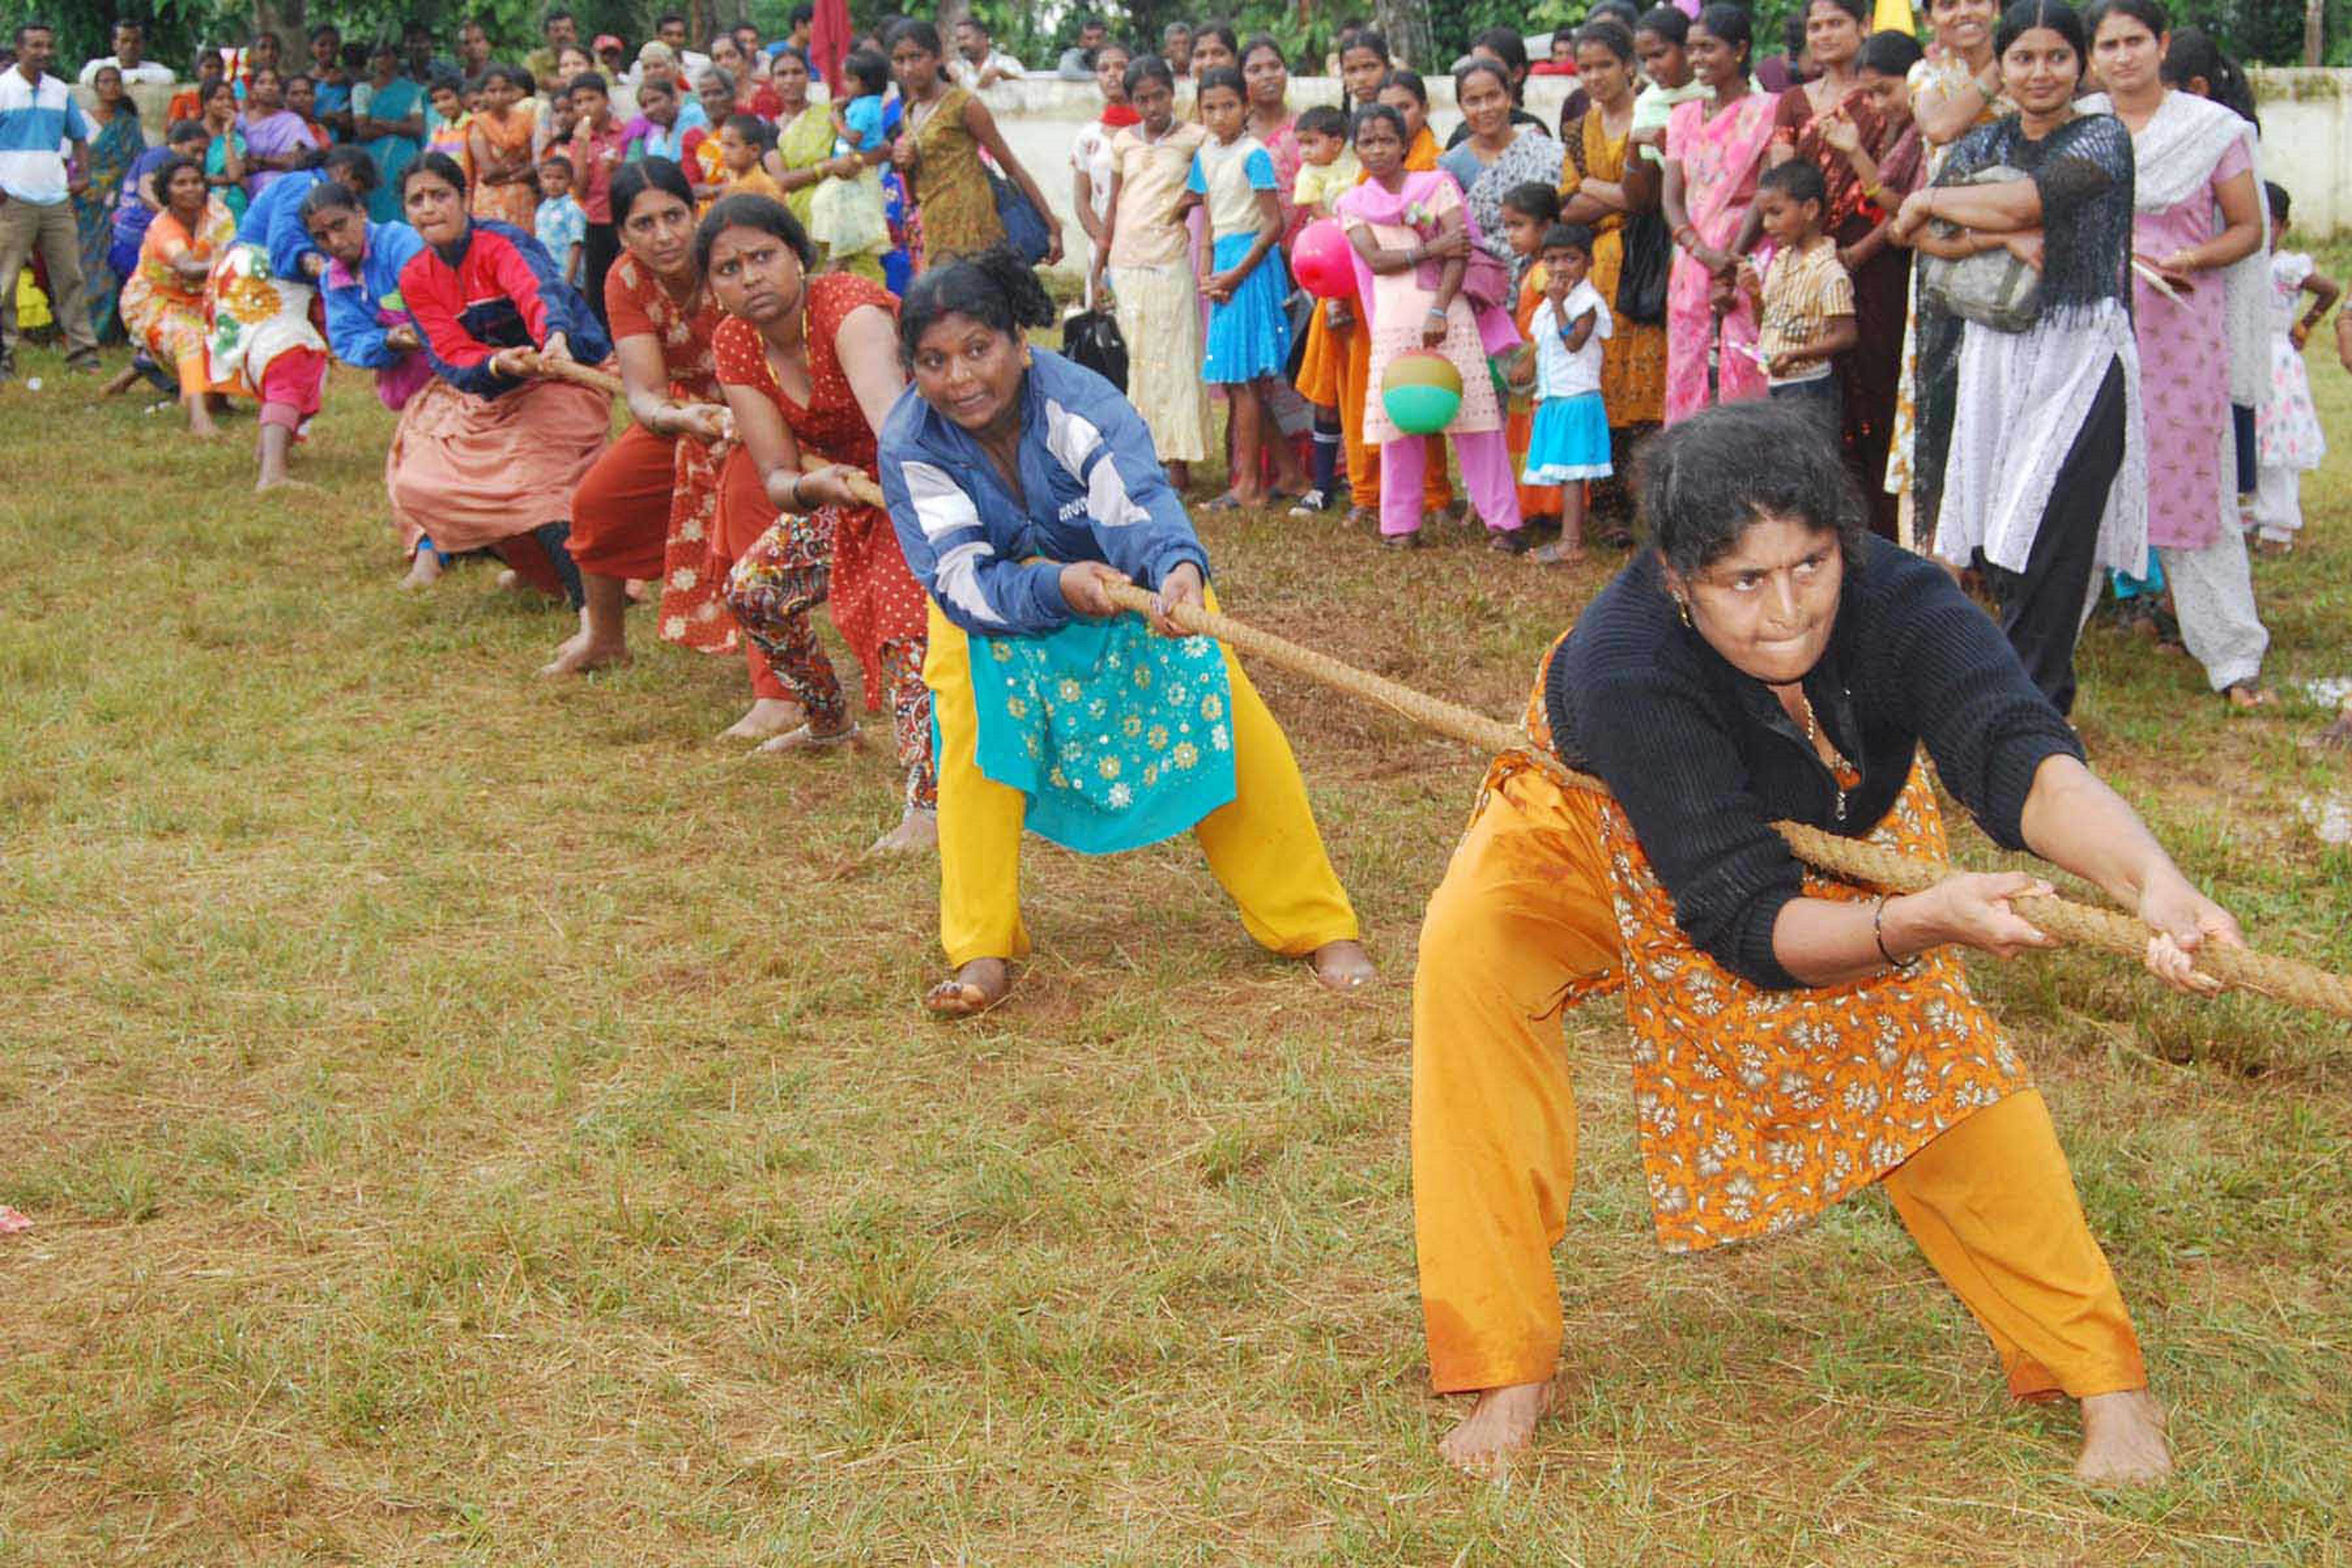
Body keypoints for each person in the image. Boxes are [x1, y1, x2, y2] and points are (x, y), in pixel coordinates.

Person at [1413, 397, 2215, 1495]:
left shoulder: (1899, 599)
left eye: (1812, 566)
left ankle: (2105, 1379)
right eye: (1746, 581)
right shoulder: (1627, 661)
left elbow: (2020, 753)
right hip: (1594, 826)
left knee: (1932, 1056)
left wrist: (2150, 879)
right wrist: (1915, 923)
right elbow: (1744, 919)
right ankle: (1506, 1364)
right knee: (1469, 960)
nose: (1788, 610)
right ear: (1680, 579)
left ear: (1845, 542)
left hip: (1832, 825)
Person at [878, 247, 1376, 1016]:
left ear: (1018, 339)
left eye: (978, 349)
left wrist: (1175, 568)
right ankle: (980, 949)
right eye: (934, 361)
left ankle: (1316, 923)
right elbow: (958, 575)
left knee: (1230, 722)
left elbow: (1134, 502)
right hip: (992, 609)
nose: (961, 378)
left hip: (1129, 585)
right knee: (973, 742)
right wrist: (1055, 587)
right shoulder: (911, 440)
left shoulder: (1079, 401)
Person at [1889, 0, 2140, 719]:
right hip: (1993, 352)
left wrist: (1943, 199)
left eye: (2057, 57)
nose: (2040, 73)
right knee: (1997, 535)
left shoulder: (2102, 140)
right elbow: (1922, 236)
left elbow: (2031, 198)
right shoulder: (1980, 142)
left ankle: (2034, 708)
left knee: (2052, 530)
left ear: (2080, 63)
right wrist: (1996, 233)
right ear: (2002, 67)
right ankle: (2007, 698)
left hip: (2080, 356)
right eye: (2023, 58)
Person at [697, 193, 936, 841]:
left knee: (905, 627)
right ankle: (830, 722)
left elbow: (899, 437)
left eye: (763, 256)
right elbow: (776, 475)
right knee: (754, 590)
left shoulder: (849, 311)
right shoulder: (735, 342)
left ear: (799, 257)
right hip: (846, 491)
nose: (750, 277)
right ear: (714, 289)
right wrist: (817, 488)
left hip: (927, 484)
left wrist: (877, 524)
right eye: (728, 269)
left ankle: (932, 802)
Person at [2078, 0, 2270, 709]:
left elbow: (2247, 228)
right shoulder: (2080, 127)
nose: (2123, 56)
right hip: (2090, 329)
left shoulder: (2212, 131)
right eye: (2109, 44)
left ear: (2162, 45)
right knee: (2079, 483)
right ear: (2094, 56)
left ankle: (2233, 657)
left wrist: (2194, 255)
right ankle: (2043, 656)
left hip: (2182, 328)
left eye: (2135, 41)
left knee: (2195, 486)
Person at [555, 159, 749, 687]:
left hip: (766, 412)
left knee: (750, 517)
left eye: (674, 216)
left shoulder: (730, 256)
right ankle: (605, 639)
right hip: (686, 416)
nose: (664, 236)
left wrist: (746, 418)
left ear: (696, 213)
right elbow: (645, 393)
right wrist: (683, 418)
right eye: (644, 225)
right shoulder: (625, 279)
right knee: (595, 503)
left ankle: (774, 671)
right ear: (621, 235)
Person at [392, 152, 615, 612]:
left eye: (440, 195)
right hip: (495, 388)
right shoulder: (415, 276)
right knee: (419, 481)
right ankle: (541, 570)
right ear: (406, 212)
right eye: (417, 201)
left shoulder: (501, 243)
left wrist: (552, 336)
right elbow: (450, 353)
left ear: (465, 198)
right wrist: (500, 364)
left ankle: (590, 600)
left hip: (566, 376)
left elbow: (539, 292)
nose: (430, 208)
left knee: (534, 477)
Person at [1337, 103, 1527, 553]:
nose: (1378, 149)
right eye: (1367, 141)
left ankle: (1504, 523)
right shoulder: (1353, 203)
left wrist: (1440, 309)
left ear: (1405, 144)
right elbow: (1378, 261)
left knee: (1476, 418)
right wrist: (1429, 249)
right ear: (1356, 149)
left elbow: (1459, 249)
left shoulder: (1435, 185)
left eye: (1387, 139)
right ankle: (1400, 526)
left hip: (1446, 316)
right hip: (1393, 325)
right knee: (1399, 424)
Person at [1753, 0, 1903, 534]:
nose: (1824, 34)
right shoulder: (1794, 101)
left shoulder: (1883, 96)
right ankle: (1824, 527)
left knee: (1875, 382)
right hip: (1807, 259)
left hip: (1876, 255)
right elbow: (1781, 184)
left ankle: (1884, 529)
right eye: (1815, 25)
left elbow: (1899, 186)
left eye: (1836, 22)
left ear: (1864, 27)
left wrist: (1860, 253)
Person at [1889, 0, 2008, 548]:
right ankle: (1927, 553)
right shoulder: (1929, 74)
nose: (1964, 12)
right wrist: (1995, 73)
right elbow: (1938, 126)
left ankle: (1995, 547)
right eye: (1947, 4)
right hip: (1945, 254)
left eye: (1976, 0)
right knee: (1935, 393)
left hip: (2018, 253)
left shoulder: (2035, 67)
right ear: (1930, 16)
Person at [1181, 66, 1308, 510]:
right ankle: (1290, 473)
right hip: (1224, 265)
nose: (1219, 116)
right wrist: (1206, 268)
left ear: (1246, 106)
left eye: (1228, 106)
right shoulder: (1206, 154)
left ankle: (1250, 486)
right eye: (1210, 108)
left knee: (1244, 380)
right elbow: (1210, 216)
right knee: (1242, 381)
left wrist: (1234, 276)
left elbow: (1274, 225)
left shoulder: (1254, 154)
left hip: (1251, 267)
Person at [306, 181, 444, 582]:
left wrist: (411, 331)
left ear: (361, 212)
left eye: (339, 225)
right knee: (415, 464)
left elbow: (435, 304)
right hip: (409, 383)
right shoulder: (334, 278)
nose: (333, 241)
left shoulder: (401, 245)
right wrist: (389, 339)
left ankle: (430, 554)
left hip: (452, 373)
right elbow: (347, 340)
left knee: (421, 466)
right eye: (320, 236)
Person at [1562, 19, 1669, 533]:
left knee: (1648, 382)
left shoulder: (1655, 114)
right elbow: (1567, 205)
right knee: (1599, 381)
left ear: (1630, 65)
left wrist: (1596, 188)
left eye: (1605, 64)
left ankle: (1653, 504)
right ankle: (1608, 509)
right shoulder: (1578, 129)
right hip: (1598, 272)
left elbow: (1646, 198)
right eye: (1585, 67)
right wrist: (1615, 196)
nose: (1594, 76)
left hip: (1647, 264)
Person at [1093, 56, 1211, 492]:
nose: (1152, 106)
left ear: (1173, 93)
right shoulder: (1124, 142)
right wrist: (1098, 267)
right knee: (1137, 363)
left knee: (1175, 362)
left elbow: (1215, 180)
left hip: (1170, 261)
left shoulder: (1196, 138)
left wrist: (1190, 201)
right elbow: (1114, 204)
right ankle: (1144, 460)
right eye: (1142, 99)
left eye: (1159, 96)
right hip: (1127, 262)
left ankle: (1179, 463)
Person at [887, 20, 1061, 270]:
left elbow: (1011, 166)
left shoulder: (964, 104)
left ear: (938, 57)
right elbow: (915, 194)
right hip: (936, 230)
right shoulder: (909, 114)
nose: (908, 68)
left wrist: (1053, 227)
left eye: (916, 57)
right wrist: (905, 165)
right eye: (899, 60)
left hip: (977, 228)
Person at [0, 22, 99, 380]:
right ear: (19, 49)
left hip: (56, 198)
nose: (43, 52)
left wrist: (83, 175)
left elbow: (79, 138)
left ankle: (83, 353)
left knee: (70, 276)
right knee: (6, 282)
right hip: (13, 199)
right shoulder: (3, 89)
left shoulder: (59, 91)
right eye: (35, 46)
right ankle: (4, 358)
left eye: (48, 46)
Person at [120, 155, 240, 433]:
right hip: (154, 301)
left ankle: (218, 400)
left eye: (196, 182)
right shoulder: (163, 228)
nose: (191, 189)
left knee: (237, 326)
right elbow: (187, 268)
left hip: (203, 297)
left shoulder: (218, 214)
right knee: (189, 337)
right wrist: (232, 262)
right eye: (181, 184)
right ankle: (200, 421)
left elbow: (231, 248)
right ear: (166, 191)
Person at [1739, 160, 1855, 437]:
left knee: (1807, 465)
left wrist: (1797, 354)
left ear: (1811, 209)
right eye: (1764, 215)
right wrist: (1755, 295)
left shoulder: (1829, 272)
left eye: (1776, 213)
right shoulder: (1779, 262)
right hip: (1778, 383)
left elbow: (1847, 336)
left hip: (1810, 387)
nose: (1767, 224)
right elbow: (1767, 322)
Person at [1519, 224, 1614, 563]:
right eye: (1552, 260)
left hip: (1577, 397)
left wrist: (1559, 305)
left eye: (1570, 259)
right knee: (1564, 470)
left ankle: (1571, 542)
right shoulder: (1548, 305)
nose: (1560, 268)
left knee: (1573, 473)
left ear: (1588, 261)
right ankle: (1568, 537)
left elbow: (1573, 342)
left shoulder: (1586, 302)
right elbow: (1542, 349)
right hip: (1556, 396)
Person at [2249, 182, 2332, 554]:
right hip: (2245, 358)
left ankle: (2279, 526)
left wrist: (2306, 324)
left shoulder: (2286, 267)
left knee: (2278, 443)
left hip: (2277, 360)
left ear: (2284, 227)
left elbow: (2329, 290)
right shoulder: (2239, 263)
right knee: (2250, 438)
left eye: (2272, 225)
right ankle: (2251, 514)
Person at [1441, 59, 1568, 278]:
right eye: (1473, 101)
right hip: (1483, 288)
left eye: (1493, 96)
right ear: (1461, 107)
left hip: (1546, 279)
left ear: (1509, 97)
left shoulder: (1548, 152)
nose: (1485, 108)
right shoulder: (1451, 165)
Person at [807, 48, 894, 280]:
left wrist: (837, 122)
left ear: (866, 83)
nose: (845, 85)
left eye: (850, 80)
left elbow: (854, 137)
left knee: (845, 219)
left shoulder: (866, 107)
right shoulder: (864, 103)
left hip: (856, 172)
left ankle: (838, 259)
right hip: (853, 170)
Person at [71, 65, 142, 343]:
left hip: (120, 204)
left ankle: (111, 330)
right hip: (88, 202)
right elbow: (72, 160)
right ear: (95, 87)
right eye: (105, 81)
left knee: (115, 261)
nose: (112, 86)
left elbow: (137, 161)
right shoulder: (83, 120)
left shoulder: (129, 124)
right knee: (87, 262)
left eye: (116, 81)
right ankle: (85, 330)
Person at [564, 72, 629, 322]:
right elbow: (579, 189)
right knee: (599, 285)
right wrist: (581, 146)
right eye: (578, 102)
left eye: (591, 99)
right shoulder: (579, 140)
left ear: (605, 99)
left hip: (622, 218)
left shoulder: (623, 131)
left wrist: (619, 166)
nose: (585, 107)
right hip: (595, 220)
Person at [1070, 40, 1137, 276]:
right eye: (1104, 69)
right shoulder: (1088, 137)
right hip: (1104, 252)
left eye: (1120, 66)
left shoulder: (1153, 130)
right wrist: (1104, 242)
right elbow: (1081, 200)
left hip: (1151, 250)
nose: (1112, 74)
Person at [1238, 37, 1305, 252]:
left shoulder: (1308, 128)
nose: (1267, 76)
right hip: (1255, 254)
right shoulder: (1237, 136)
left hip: (1308, 250)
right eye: (1255, 70)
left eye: (1275, 67)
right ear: (1242, 79)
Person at [1445, 27, 1556, 151]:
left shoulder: (1534, 132)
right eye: (1475, 65)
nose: (1481, 73)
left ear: (1517, 74)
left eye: (1490, 66)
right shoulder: (1461, 139)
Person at [352, 41, 425, 225]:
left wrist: (382, 123)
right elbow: (363, 130)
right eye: (377, 55)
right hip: (372, 159)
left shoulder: (413, 90)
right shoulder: (362, 90)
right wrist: (401, 126)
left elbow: (417, 128)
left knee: (404, 199)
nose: (382, 60)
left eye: (387, 55)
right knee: (375, 204)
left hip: (404, 156)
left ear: (397, 59)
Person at [763, 49, 835, 233]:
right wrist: (826, 168)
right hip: (799, 219)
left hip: (838, 211)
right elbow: (782, 181)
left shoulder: (832, 115)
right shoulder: (770, 131)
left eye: (797, 72)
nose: (790, 80)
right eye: (782, 74)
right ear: (773, 83)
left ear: (808, 77)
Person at [466, 65, 540, 229]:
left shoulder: (526, 120)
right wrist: (519, 170)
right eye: (492, 91)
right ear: (483, 95)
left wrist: (509, 177)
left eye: (505, 90)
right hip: (490, 201)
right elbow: (489, 171)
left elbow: (535, 165)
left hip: (522, 200)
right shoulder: (478, 124)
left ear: (513, 93)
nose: (499, 96)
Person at [239, 66, 316, 199]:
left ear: (280, 90)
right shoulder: (240, 122)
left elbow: (299, 159)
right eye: (262, 82)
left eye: (273, 83)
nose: (268, 87)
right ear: (252, 90)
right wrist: (276, 161)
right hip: (247, 191)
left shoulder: (292, 121)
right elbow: (239, 163)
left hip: (285, 188)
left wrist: (259, 161)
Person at [82, 19, 175, 86]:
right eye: (124, 41)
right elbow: (87, 77)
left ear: (142, 45)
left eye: (136, 41)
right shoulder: (99, 65)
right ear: (114, 45)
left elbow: (169, 77)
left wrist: (117, 78)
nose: (130, 46)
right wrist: (135, 80)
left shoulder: (155, 69)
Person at [308, 26, 353, 140]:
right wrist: (324, 120)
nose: (328, 49)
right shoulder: (302, 82)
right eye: (322, 45)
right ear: (312, 48)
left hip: (343, 147)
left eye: (333, 45)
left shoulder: (349, 82)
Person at [951, 18, 1026, 87]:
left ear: (983, 39)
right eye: (958, 40)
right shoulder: (956, 68)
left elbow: (1026, 89)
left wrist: (1002, 74)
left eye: (965, 38)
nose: (961, 44)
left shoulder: (1007, 63)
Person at [525, 9, 579, 95]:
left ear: (575, 34)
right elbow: (524, 84)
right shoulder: (535, 60)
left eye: (568, 30)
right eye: (556, 30)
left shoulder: (588, 58)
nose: (562, 35)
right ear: (546, 36)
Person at [1056, 16, 1109, 81]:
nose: (1095, 42)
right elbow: (1066, 71)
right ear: (1081, 40)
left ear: (1105, 38)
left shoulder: (1114, 53)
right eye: (1089, 38)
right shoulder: (1074, 54)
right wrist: (1098, 76)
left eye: (1099, 37)